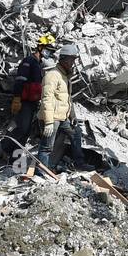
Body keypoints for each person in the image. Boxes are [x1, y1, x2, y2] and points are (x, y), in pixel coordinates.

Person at [38, 43, 85, 171]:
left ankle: (79, 164)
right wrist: (48, 122)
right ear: (63, 59)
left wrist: (72, 116)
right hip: (52, 118)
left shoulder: (65, 76)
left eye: (74, 59)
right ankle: (41, 173)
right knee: (47, 147)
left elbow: (68, 98)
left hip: (62, 117)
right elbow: (46, 99)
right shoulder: (53, 75)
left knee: (76, 133)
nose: (73, 63)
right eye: (71, 59)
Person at [9, 35, 55, 151]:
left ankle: (16, 155)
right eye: (48, 49)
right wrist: (17, 98)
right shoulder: (29, 61)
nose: (49, 53)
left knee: (27, 130)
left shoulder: (38, 64)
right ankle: (6, 148)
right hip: (24, 102)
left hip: (32, 102)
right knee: (22, 128)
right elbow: (20, 79)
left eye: (51, 51)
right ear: (40, 47)